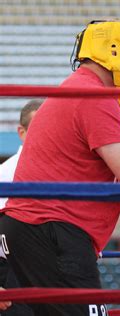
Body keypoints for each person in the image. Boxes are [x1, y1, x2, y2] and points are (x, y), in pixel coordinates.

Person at [0, 20, 120, 316]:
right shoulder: (92, 96)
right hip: (52, 229)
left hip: (36, 228)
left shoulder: (77, 89)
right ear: (115, 50)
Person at [0, 99, 41, 316]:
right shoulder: (5, 174)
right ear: (22, 132)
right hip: (13, 273)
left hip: (56, 270)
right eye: (38, 128)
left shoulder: (66, 171)